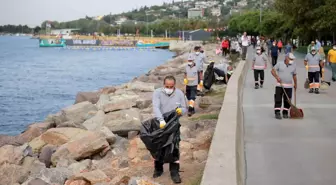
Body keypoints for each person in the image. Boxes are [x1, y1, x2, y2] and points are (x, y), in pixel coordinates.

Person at [152, 75, 187, 184]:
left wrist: (181, 110)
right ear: (164, 85)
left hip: (174, 124)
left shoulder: (179, 94)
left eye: (171, 86)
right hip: (161, 123)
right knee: (159, 147)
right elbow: (156, 107)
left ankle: (174, 172)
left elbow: (185, 108)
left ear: (174, 85)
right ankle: (158, 169)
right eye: (167, 86)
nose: (169, 88)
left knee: (174, 148)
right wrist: (161, 120)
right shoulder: (157, 93)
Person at [271, 53, 297, 119]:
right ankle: (277, 112)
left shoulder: (293, 66)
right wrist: (277, 77)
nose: (292, 60)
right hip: (280, 85)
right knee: (278, 98)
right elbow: (272, 71)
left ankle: (285, 112)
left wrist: (295, 84)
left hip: (289, 86)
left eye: (292, 59)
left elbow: (294, 76)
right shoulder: (280, 64)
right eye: (290, 59)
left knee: (287, 100)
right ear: (286, 58)